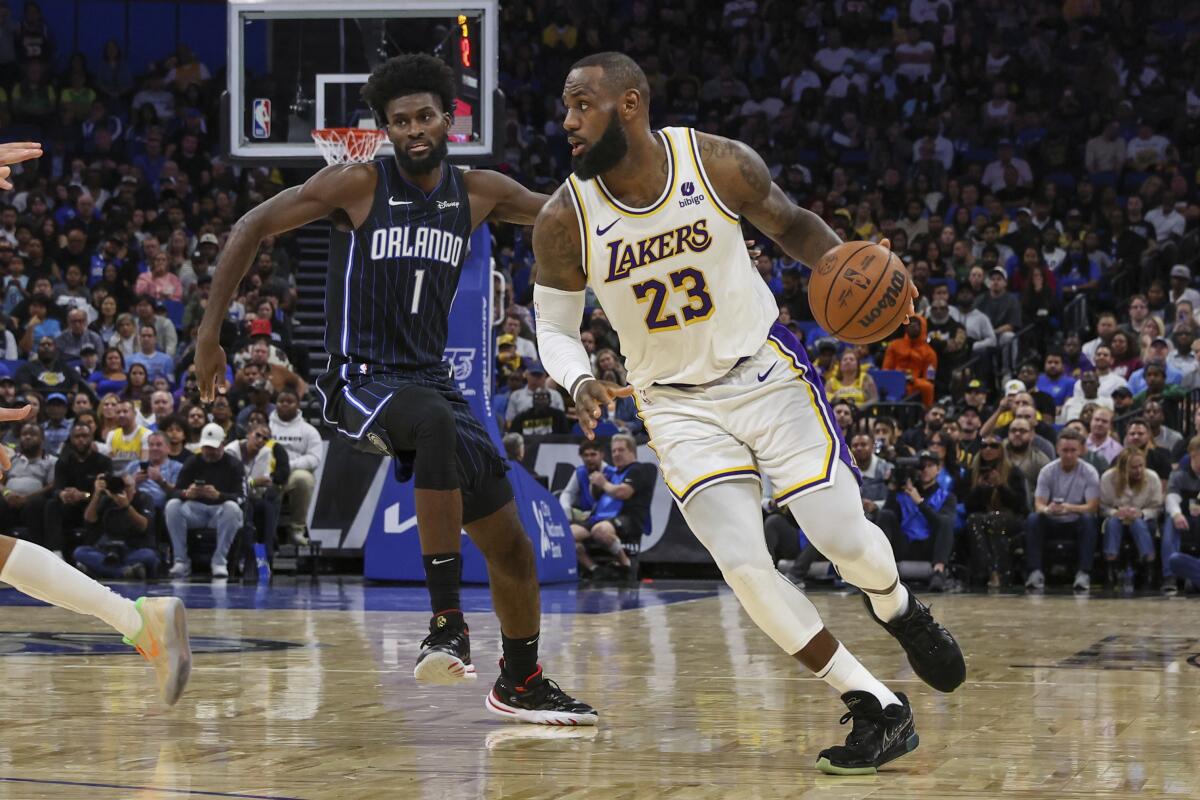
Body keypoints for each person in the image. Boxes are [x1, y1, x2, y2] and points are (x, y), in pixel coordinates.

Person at [531, 52, 962, 772]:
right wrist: (576, 379)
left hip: (763, 372)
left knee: (842, 538)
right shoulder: (562, 218)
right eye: (565, 107)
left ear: (630, 104)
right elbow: (551, 327)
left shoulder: (718, 163)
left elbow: (793, 228)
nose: (567, 120)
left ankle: (897, 610)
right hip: (674, 407)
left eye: (582, 104)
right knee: (744, 566)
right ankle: (875, 704)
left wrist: (867, 280)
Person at [194, 54, 595, 723]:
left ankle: (522, 679)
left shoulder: (479, 192)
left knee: (512, 546)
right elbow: (250, 226)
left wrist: (633, 205)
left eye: (425, 116)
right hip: (359, 377)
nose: (414, 129)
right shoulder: (355, 182)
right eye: (400, 120)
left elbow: (566, 218)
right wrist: (210, 336)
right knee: (434, 420)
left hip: (430, 380)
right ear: (385, 128)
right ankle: (444, 624)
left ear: (448, 120)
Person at [569, 434, 655, 581]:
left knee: (600, 531)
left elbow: (623, 492)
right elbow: (598, 497)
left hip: (628, 517)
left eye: (621, 450)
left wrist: (603, 483)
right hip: (601, 517)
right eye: (614, 451)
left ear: (632, 452)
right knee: (566, 536)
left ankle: (625, 564)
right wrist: (595, 486)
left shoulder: (638, 470)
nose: (616, 454)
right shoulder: (612, 473)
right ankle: (594, 569)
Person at [165, 423, 245, 580]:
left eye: (213, 447)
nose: (209, 452)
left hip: (220, 512)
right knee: (172, 506)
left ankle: (219, 561)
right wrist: (186, 494)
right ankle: (181, 560)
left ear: (222, 444)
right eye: (206, 447)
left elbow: (242, 497)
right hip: (195, 511)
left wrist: (219, 496)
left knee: (233, 508)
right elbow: (175, 492)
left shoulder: (234, 465)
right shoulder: (192, 462)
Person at [1024, 429, 1100, 592]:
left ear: (1081, 451)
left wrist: (1068, 507)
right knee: (1033, 518)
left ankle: (1083, 573)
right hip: (1053, 520)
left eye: (1073, 450)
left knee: (1089, 519)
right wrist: (1048, 509)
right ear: (1058, 450)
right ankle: (1035, 571)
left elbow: (1092, 506)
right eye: (1065, 450)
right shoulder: (1047, 471)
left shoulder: (1089, 472)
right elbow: (1039, 504)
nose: (1069, 455)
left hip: (1076, 521)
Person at [884, 450, 956, 592]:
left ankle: (939, 571)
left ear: (938, 469)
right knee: (885, 514)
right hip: (905, 544)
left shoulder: (947, 496)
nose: (925, 470)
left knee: (946, 521)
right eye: (921, 466)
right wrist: (892, 489)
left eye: (930, 466)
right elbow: (888, 518)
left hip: (929, 547)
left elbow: (941, 524)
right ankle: (880, 569)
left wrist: (920, 503)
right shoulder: (903, 493)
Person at [963, 436, 1028, 588]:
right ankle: (986, 572)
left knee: (994, 519)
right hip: (982, 516)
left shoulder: (1013, 472)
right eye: (984, 446)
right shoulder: (971, 472)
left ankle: (1001, 573)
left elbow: (1020, 505)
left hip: (1010, 516)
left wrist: (1001, 486)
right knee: (974, 520)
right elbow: (968, 507)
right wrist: (979, 489)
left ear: (1001, 449)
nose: (988, 449)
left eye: (993, 446)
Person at [74, 472, 159, 580]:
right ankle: (123, 572)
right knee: (80, 552)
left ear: (134, 488)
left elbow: (143, 526)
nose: (123, 490)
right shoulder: (108, 499)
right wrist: (96, 494)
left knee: (149, 556)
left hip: (133, 549)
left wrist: (126, 506)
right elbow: (89, 519)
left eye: (127, 486)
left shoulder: (144, 498)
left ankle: (101, 570)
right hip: (107, 552)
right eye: (120, 486)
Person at [226, 423, 289, 569]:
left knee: (267, 508)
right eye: (258, 435)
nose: (261, 440)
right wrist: (254, 483)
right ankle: (245, 556)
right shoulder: (232, 451)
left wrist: (254, 485)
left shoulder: (265, 453)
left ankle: (265, 557)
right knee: (248, 508)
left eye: (265, 438)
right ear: (248, 435)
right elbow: (232, 486)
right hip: (230, 498)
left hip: (252, 497)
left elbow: (260, 491)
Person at [1099, 448, 1161, 590]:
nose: (1139, 470)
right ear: (1122, 468)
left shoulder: (1152, 477)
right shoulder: (1108, 477)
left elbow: (1157, 508)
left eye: (1141, 466)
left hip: (1145, 520)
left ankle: (1148, 568)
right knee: (1113, 523)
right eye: (1134, 467)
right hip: (1116, 518)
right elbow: (1102, 507)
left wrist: (1142, 513)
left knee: (1138, 524)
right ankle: (1110, 568)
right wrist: (1116, 512)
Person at [267, 388, 322, 545]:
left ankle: (297, 530)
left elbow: (314, 458)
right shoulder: (267, 426)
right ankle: (266, 531)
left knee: (304, 479)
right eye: (281, 401)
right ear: (275, 404)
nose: (284, 404)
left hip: (292, 474)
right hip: (269, 473)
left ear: (298, 405)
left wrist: (287, 466)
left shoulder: (309, 431)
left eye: (289, 402)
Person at [0, 421, 54, 545]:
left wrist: (26, 498)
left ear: (42, 439)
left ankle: (36, 547)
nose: (28, 437)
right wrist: (7, 494)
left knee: (37, 503)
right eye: (24, 434)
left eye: (33, 434)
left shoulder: (51, 461)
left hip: (33, 502)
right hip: (8, 501)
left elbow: (51, 486)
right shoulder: (11, 458)